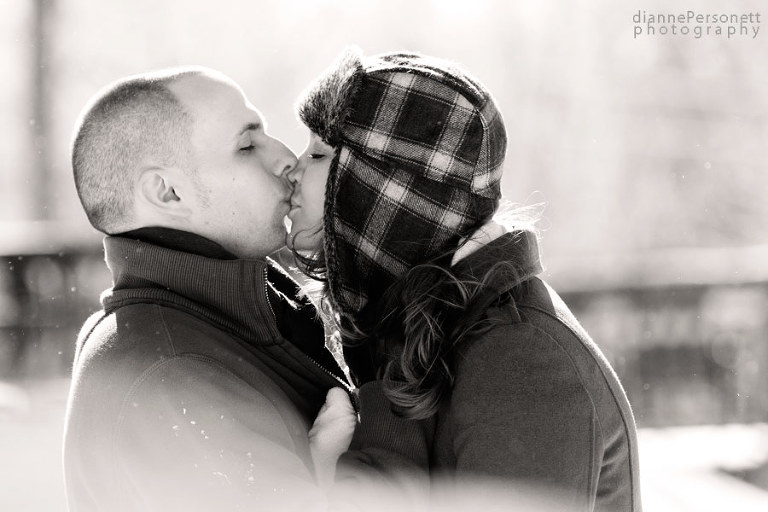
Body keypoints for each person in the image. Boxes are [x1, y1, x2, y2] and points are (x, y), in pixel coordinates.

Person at [287, 48, 643, 511]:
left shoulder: (523, 363)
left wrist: (329, 470)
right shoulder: (421, 323)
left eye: (318, 153)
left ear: (380, 185)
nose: (292, 169)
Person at [63, 66, 357, 511]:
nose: (284, 158)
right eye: (246, 146)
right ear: (168, 193)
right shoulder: (169, 377)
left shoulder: (235, 309)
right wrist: (331, 472)